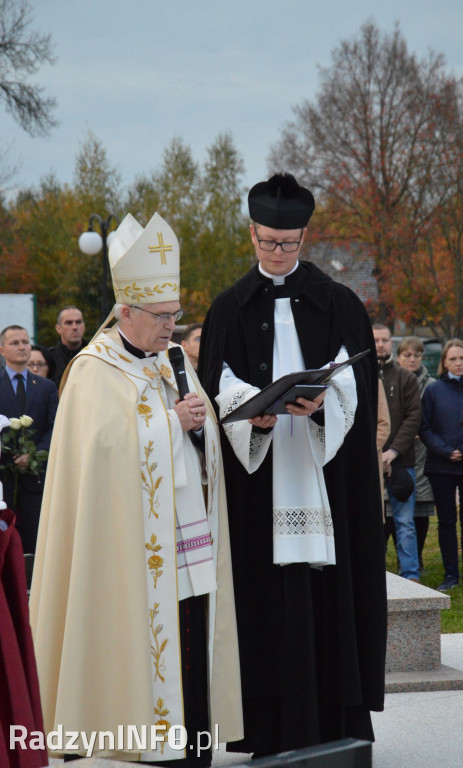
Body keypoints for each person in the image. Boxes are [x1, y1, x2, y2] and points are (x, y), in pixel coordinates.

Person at [30, 212, 242, 763]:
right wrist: (172, 423)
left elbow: (202, 440)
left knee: (191, 639)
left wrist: (201, 428)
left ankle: (192, 746)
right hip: (128, 551)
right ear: (126, 312)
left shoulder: (173, 362)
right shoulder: (92, 369)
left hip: (187, 544)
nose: (172, 326)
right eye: (161, 316)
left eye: (175, 314)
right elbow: (102, 455)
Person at [198, 172, 387, 755]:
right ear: (251, 234)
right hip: (258, 485)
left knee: (326, 597)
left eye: (289, 243)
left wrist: (325, 405)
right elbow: (216, 386)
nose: (278, 252)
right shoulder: (227, 308)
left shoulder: (340, 302)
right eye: (268, 241)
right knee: (265, 599)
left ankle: (336, 725)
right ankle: (267, 729)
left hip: (323, 477)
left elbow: (356, 382)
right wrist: (247, 414)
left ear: (304, 238)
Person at [0, 326, 58, 589]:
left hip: (35, 479)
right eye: (15, 343)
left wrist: (33, 454)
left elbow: (53, 427)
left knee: (35, 536)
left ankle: (34, 586)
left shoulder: (45, 387)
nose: (23, 346)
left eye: (25, 341)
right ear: (3, 350)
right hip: (4, 477)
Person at [372, 324, 422, 582]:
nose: (380, 344)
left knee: (404, 522)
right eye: (376, 340)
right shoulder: (362, 377)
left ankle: (411, 574)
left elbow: (413, 418)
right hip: (368, 461)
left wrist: (392, 452)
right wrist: (375, 452)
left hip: (401, 461)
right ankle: (372, 574)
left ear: (392, 342)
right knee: (370, 521)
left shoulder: (406, 378)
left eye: (385, 340)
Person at [388, 337, 435, 571]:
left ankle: (415, 563)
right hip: (397, 454)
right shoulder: (389, 380)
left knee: (419, 512)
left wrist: (422, 430)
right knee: (394, 511)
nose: (413, 359)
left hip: (422, 454)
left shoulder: (431, 385)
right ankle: (400, 563)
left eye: (417, 355)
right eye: (407, 355)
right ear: (398, 357)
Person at [420, 338, 463, 591]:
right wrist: (447, 451)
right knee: (446, 521)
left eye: (462, 358)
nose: (459, 363)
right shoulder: (433, 391)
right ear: (444, 362)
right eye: (453, 359)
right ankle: (451, 575)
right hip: (441, 467)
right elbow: (424, 427)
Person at [49, 306, 87, 387]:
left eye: (78, 322)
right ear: (58, 328)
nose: (75, 327)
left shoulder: (94, 356)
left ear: (83, 327)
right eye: (69, 323)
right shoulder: (49, 359)